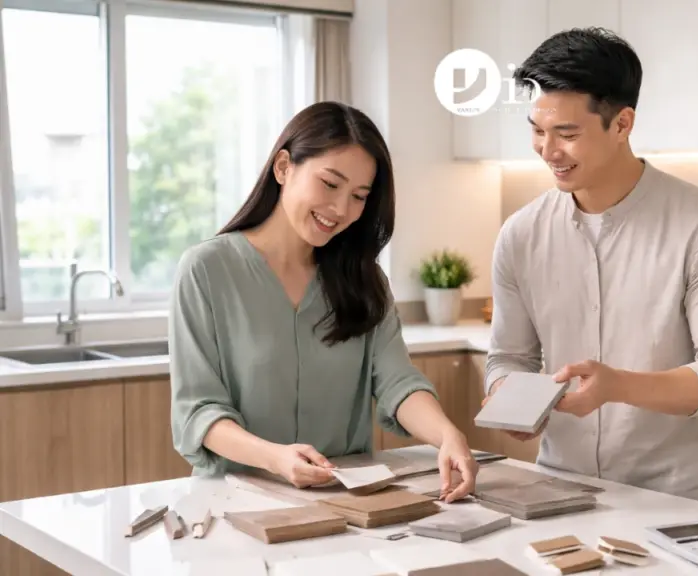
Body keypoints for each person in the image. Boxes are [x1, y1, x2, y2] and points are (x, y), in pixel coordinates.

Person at [483, 27, 698, 507]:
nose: (548, 151)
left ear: (622, 124)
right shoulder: (520, 235)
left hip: (681, 501)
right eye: (537, 131)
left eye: (567, 134)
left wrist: (620, 387)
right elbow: (509, 357)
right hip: (560, 493)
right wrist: (513, 400)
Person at [169, 101, 477, 501]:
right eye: (330, 184)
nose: (341, 209)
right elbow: (199, 411)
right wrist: (274, 458)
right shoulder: (207, 270)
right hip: (235, 501)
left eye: (359, 196)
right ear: (283, 167)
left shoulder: (365, 281)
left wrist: (446, 434)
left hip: (343, 503)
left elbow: (398, 382)